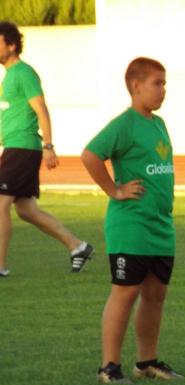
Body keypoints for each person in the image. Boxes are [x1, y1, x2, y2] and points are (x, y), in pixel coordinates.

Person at [81, 57, 182, 384]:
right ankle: (108, 367)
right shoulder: (124, 124)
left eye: (164, 83)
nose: (163, 90)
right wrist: (114, 189)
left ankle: (146, 362)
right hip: (131, 226)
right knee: (125, 293)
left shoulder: (159, 123)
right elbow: (90, 154)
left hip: (160, 227)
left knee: (156, 295)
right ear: (136, 86)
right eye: (157, 83)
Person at [0, 21, 93, 277]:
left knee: (0, 203)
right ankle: (77, 246)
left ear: (11, 45)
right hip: (14, 147)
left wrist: (49, 145)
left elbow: (41, 109)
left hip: (23, 147)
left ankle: (0, 266)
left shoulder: (24, 73)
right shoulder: (9, 76)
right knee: (26, 210)